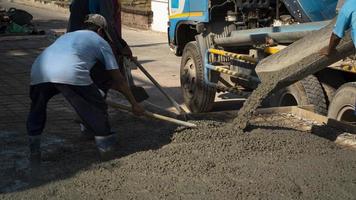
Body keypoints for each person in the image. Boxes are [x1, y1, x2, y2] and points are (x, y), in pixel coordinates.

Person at [27, 14, 145, 163]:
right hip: (69, 72)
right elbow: (118, 79)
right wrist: (134, 104)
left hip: (38, 70)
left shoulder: (67, 36)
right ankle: (107, 151)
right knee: (96, 106)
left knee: (37, 109)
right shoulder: (100, 42)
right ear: (101, 31)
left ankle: (34, 153)